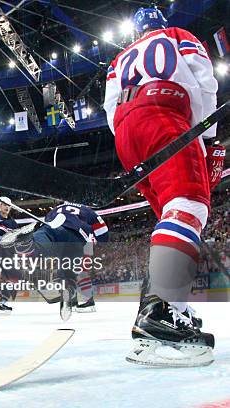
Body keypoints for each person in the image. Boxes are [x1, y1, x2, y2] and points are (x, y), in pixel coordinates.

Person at [103, 7, 223, 366]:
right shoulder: (178, 36)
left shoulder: (118, 59)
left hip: (126, 131)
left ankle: (168, 311)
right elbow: (205, 83)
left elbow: (111, 110)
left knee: (170, 216)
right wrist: (208, 139)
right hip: (166, 112)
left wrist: (132, 139)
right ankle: (161, 311)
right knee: (189, 206)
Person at [0, 203, 109, 317]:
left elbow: (49, 224)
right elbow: (102, 232)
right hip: (76, 237)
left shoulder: (55, 209)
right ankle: (73, 297)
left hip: (51, 229)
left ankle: (27, 245)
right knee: (70, 272)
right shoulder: (86, 210)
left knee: (42, 245)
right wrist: (99, 242)